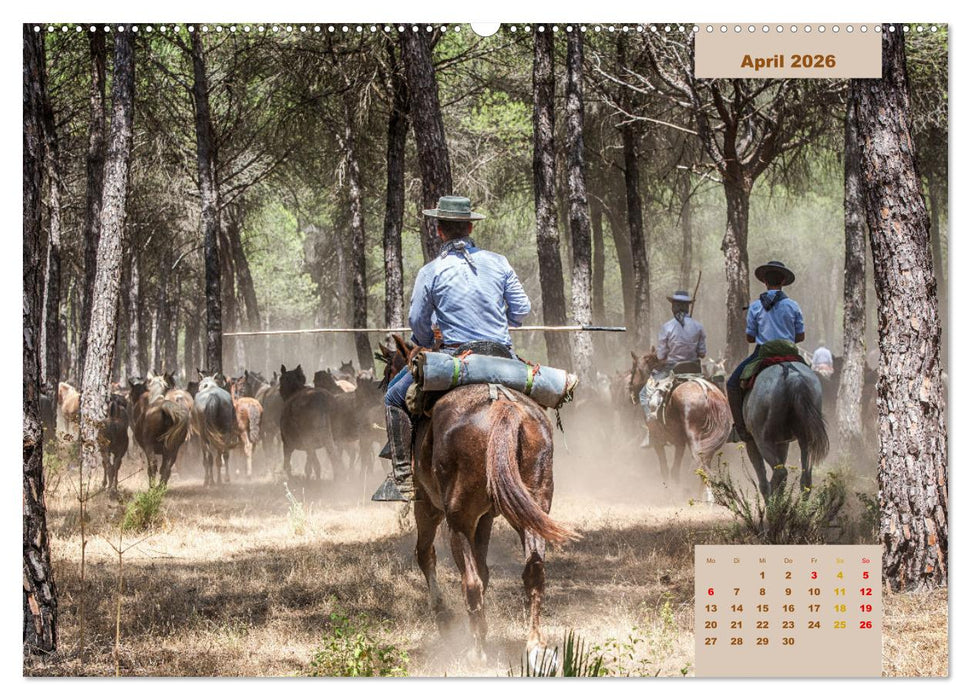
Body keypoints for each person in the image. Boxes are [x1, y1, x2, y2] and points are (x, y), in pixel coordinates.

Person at [374, 195, 531, 501]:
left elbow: (417, 323)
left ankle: (403, 478)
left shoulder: (431, 271)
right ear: (471, 227)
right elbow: (522, 309)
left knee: (394, 395)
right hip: (503, 357)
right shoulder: (499, 262)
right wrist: (506, 318)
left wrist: (429, 338)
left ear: (438, 230)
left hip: (456, 357)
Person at [727, 261, 805, 443]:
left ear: (764, 281)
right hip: (790, 353)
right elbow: (800, 337)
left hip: (763, 354)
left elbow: (750, 338)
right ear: (783, 281)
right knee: (811, 380)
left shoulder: (755, 307)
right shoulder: (793, 306)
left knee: (732, 384)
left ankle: (741, 430)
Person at [638, 290, 707, 447]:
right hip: (695, 369)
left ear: (674, 307)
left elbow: (661, 355)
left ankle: (652, 432)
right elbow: (702, 354)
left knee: (643, 394)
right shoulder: (698, 327)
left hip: (673, 369)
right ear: (688, 307)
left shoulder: (667, 327)